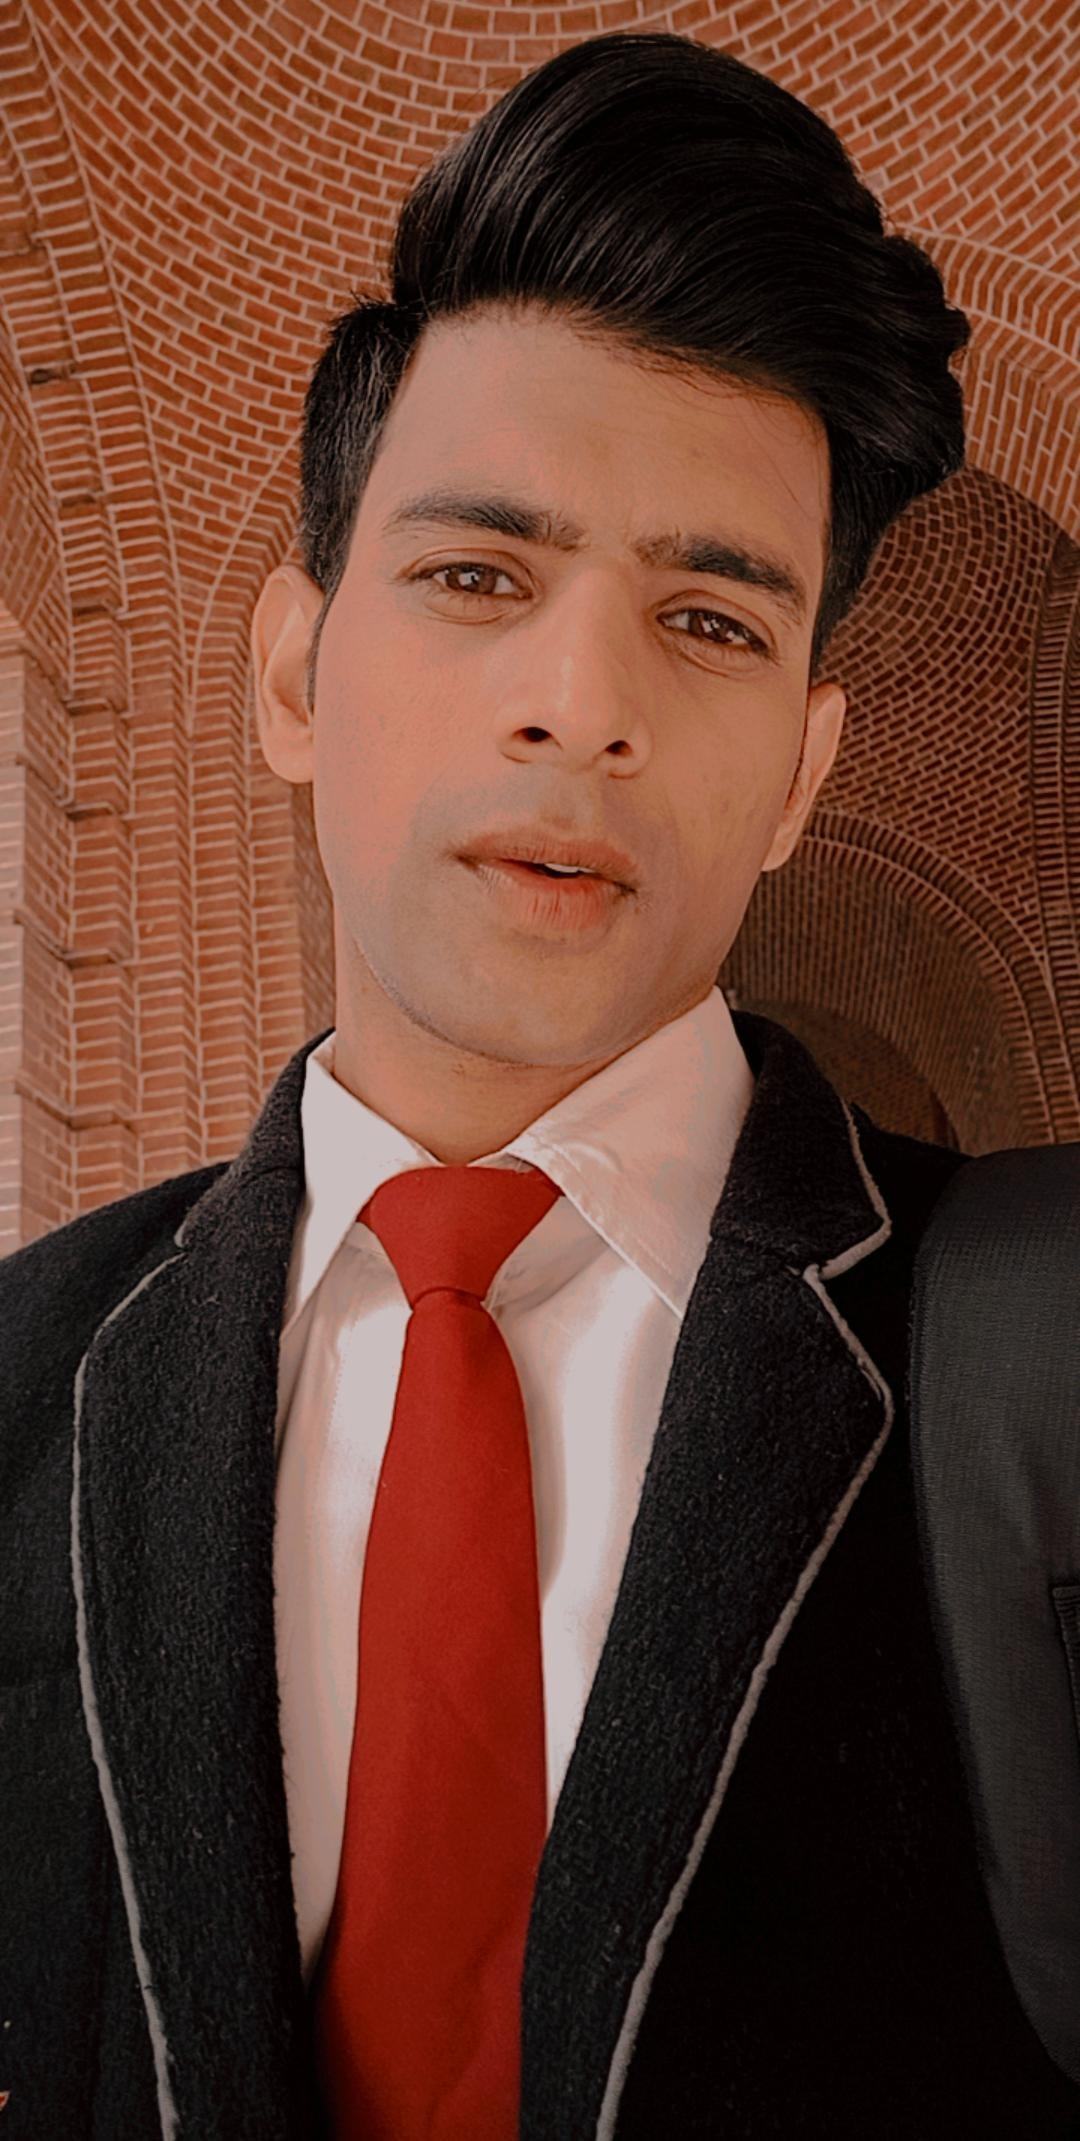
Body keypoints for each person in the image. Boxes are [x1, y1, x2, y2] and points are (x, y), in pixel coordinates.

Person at [1, 28, 1075, 2141]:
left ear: (802, 773)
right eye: (478, 576)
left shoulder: (1040, 1360)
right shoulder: (22, 1376)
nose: (581, 704)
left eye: (712, 620)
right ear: (294, 674)